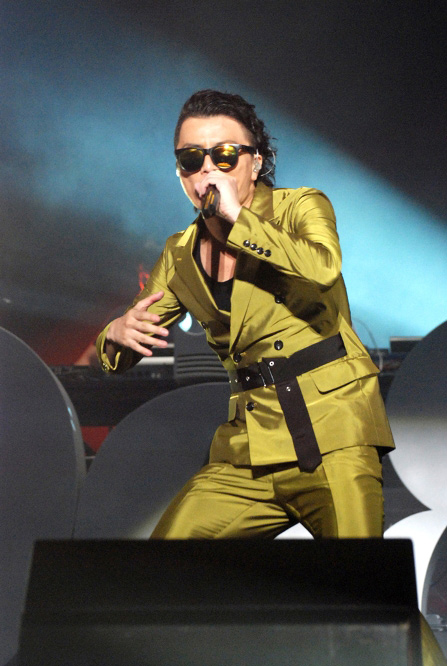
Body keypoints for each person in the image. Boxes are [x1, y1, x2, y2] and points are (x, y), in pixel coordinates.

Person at [96, 88, 395, 540]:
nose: (207, 170)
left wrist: (239, 218)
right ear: (179, 172)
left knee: (363, 580)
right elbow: (121, 349)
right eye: (191, 159)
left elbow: (322, 268)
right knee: (162, 564)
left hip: (334, 434)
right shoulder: (179, 254)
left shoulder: (299, 207)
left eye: (224, 155)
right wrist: (117, 334)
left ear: (255, 162)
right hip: (248, 450)